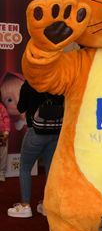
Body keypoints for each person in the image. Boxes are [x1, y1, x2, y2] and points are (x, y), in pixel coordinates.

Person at [7, 81, 63, 218]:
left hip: (36, 132)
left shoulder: (30, 84)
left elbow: (20, 108)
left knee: (25, 168)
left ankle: (25, 206)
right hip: (56, 132)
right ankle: (47, 206)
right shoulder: (58, 82)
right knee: (50, 169)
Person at [0, 101, 11, 181]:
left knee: (3, 155)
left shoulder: (1, 107)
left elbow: (6, 119)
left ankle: (1, 173)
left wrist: (6, 132)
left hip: (2, 134)